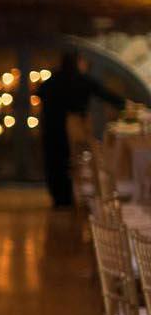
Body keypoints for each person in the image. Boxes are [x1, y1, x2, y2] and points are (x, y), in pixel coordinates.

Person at [38, 50, 125, 209]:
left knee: (55, 165)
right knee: (74, 163)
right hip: (74, 130)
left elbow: (39, 92)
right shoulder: (82, 80)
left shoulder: (53, 80)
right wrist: (126, 106)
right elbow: (106, 95)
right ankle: (72, 198)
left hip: (52, 130)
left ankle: (60, 199)